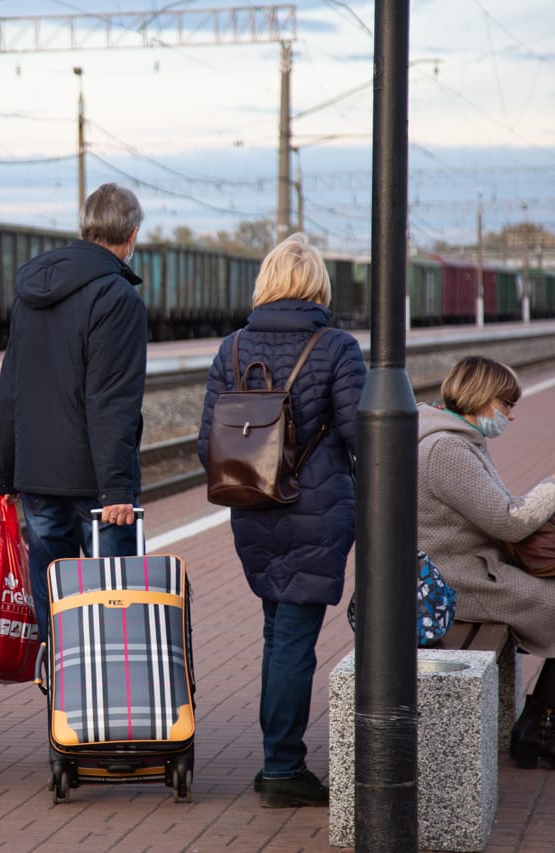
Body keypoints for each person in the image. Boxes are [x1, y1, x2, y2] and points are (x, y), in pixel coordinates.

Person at [197, 233, 366, 808]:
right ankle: (282, 767)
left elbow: (207, 443)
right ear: (317, 285)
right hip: (316, 512)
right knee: (293, 638)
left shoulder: (233, 348)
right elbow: (359, 435)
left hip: (252, 509)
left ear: (267, 283)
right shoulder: (337, 346)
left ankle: (279, 758)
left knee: (278, 633)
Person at [417, 355, 555, 771]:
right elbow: (507, 522)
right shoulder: (447, 449)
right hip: (461, 582)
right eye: (505, 404)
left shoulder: (454, 436)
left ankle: (539, 726)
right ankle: (540, 731)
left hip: (469, 569)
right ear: (479, 398)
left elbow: (497, 510)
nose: (510, 414)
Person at [0, 183, 147, 642]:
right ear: (132, 235)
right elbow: (111, 401)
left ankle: (61, 708)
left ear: (85, 228)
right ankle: (110, 707)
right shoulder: (118, 299)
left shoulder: (29, 293)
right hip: (97, 490)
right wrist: (118, 486)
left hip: (37, 477)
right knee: (113, 610)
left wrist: (5, 474)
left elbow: (10, 388)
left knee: (54, 610)